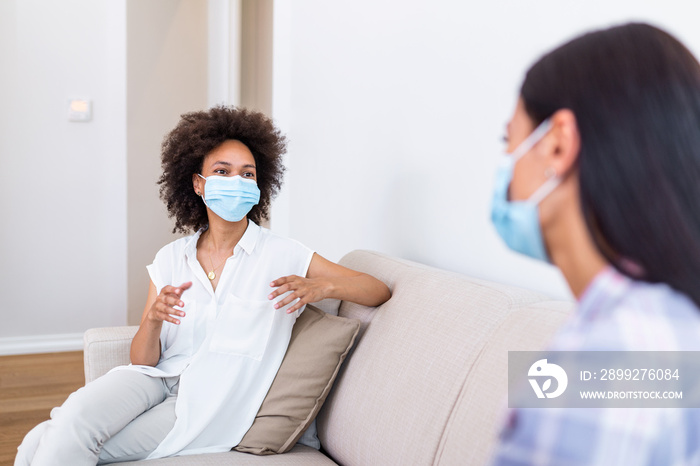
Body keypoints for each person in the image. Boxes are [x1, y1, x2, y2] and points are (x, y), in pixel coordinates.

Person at [16, 106, 391, 465]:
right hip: (155, 380)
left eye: (248, 174)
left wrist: (320, 288)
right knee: (67, 422)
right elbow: (142, 361)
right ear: (198, 183)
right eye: (223, 171)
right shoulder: (170, 258)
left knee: (42, 442)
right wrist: (152, 321)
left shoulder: (283, 254)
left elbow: (377, 291)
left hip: (207, 405)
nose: (237, 182)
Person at [489, 23, 700, 464]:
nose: (506, 167)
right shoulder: (674, 322)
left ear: (558, 147)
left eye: (509, 141)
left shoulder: (605, 364)